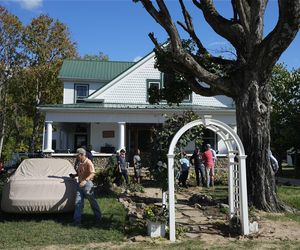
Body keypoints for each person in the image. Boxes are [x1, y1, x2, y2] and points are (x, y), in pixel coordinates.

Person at [71, 148, 102, 225]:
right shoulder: (80, 163)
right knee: (78, 202)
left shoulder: (88, 162)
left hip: (87, 185)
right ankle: (77, 221)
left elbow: (93, 173)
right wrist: (74, 175)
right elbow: (81, 173)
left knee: (92, 201)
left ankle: (98, 216)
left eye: (77, 155)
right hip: (80, 184)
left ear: (81, 155)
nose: (76, 157)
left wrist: (85, 181)